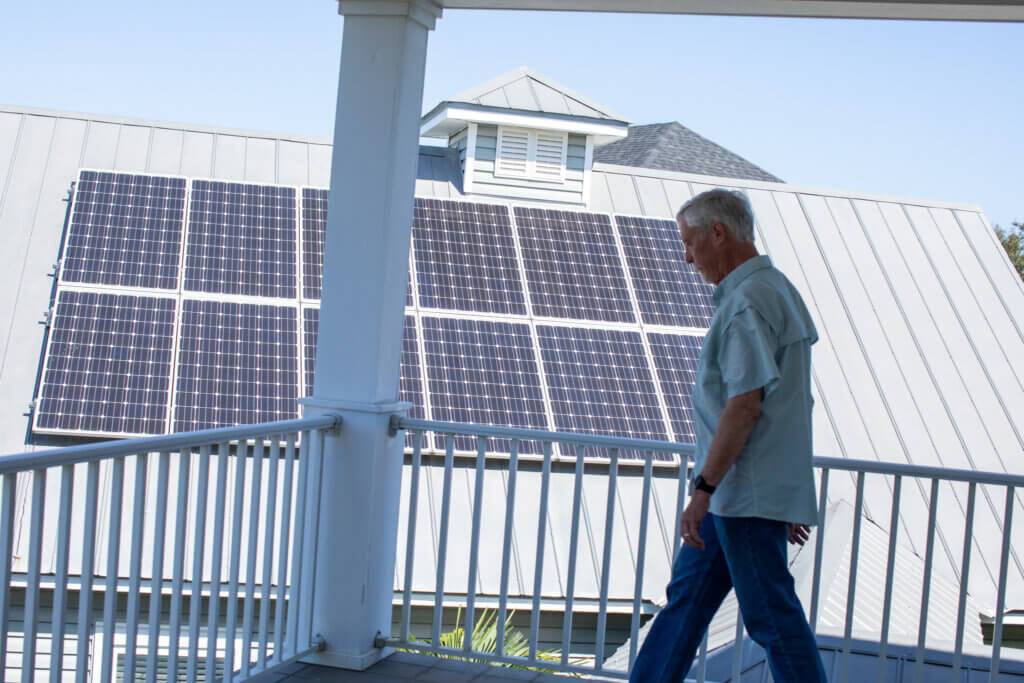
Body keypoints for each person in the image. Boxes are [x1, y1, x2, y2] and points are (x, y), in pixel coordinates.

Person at [629, 189, 827, 683]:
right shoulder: (777, 288)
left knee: (772, 619)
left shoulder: (745, 304)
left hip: (738, 495)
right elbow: (792, 404)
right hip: (742, 495)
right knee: (687, 603)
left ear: (718, 233)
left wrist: (703, 491)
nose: (686, 256)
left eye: (690, 242)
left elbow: (745, 407)